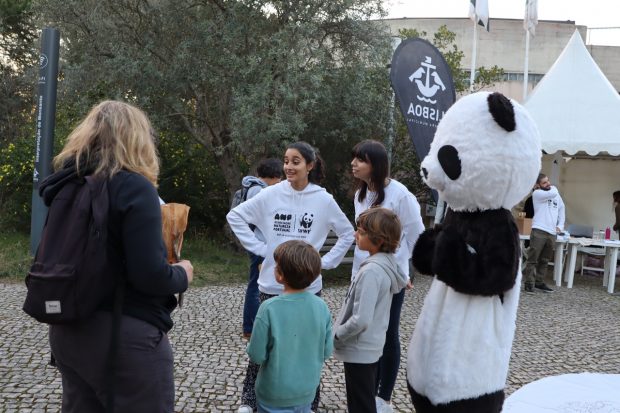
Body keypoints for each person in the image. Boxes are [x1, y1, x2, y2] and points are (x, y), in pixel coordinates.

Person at [45, 100, 193, 412]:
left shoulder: (66, 185)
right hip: (123, 338)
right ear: (137, 139)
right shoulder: (133, 186)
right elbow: (150, 274)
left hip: (68, 332)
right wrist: (183, 273)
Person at [227, 141, 354, 413]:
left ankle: (310, 400)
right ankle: (249, 400)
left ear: (310, 165)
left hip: (309, 287)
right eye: (286, 161)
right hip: (273, 283)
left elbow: (347, 233)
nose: (288, 166)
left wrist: (325, 262)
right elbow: (235, 216)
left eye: (295, 161)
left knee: (306, 347)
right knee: (264, 346)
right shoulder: (271, 194)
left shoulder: (323, 199)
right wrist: (263, 249)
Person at [350, 139, 424, 413]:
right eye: (354, 158)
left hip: (392, 277)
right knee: (367, 331)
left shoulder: (401, 195)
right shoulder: (360, 195)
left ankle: (384, 397)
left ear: (376, 165)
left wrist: (406, 272)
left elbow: (417, 237)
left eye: (361, 159)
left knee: (388, 332)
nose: (354, 164)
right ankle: (369, 390)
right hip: (364, 272)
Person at [333, 207, 406, 413]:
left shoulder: (371, 272)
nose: (356, 235)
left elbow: (361, 319)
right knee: (364, 402)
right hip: (371, 347)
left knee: (360, 406)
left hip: (359, 349)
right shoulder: (386, 264)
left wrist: (337, 335)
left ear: (379, 239)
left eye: (362, 232)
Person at [247, 240, 333, 413]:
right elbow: (327, 351)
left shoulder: (269, 308)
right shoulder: (321, 307)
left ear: (280, 275)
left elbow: (256, 355)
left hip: (272, 394)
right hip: (306, 392)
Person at [240, 158, 283, 339]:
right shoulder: (259, 190)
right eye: (279, 177)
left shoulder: (253, 187)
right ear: (273, 176)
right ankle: (251, 327)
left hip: (259, 242)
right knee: (257, 285)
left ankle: (252, 325)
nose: (281, 182)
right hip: (261, 243)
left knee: (256, 282)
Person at [523, 173, 565, 293]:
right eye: (544, 182)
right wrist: (554, 188)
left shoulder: (554, 193)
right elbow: (553, 192)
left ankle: (539, 282)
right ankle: (529, 283)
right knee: (533, 258)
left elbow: (562, 208)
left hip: (552, 232)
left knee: (545, 260)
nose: (548, 184)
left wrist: (560, 225)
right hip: (539, 229)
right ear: (537, 185)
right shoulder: (537, 194)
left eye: (548, 181)